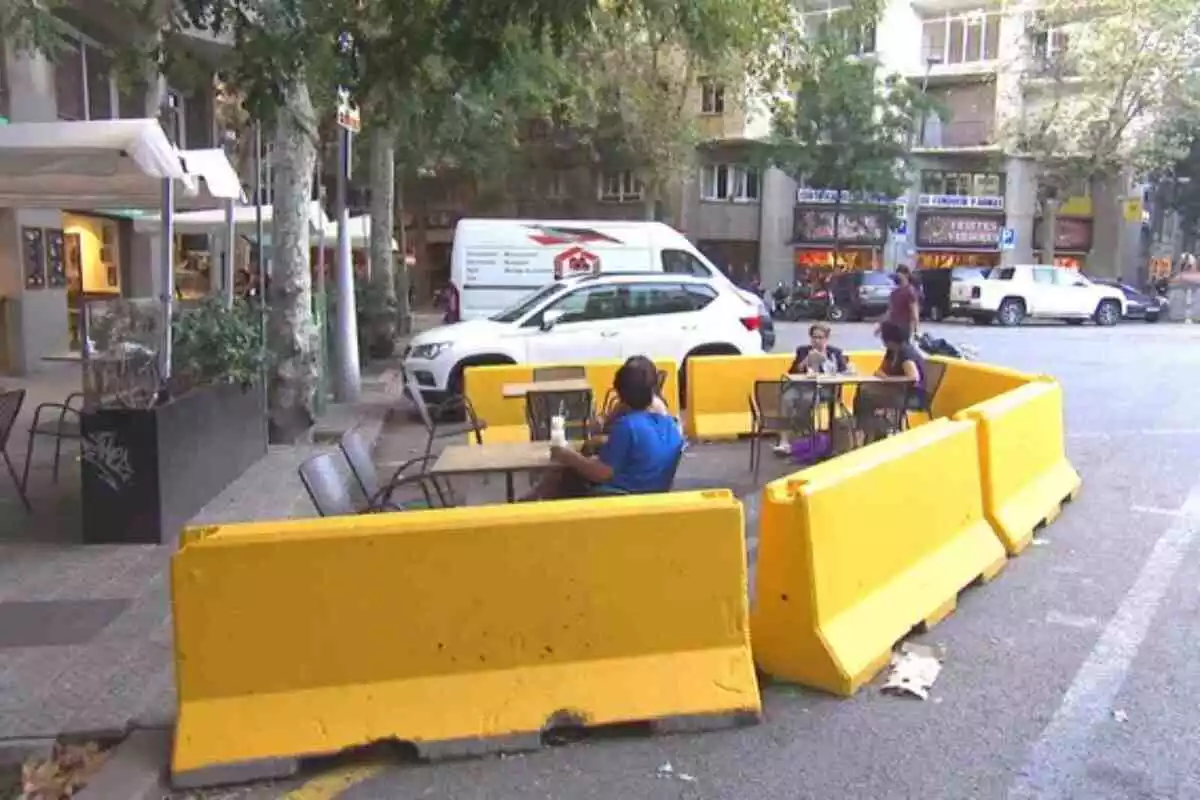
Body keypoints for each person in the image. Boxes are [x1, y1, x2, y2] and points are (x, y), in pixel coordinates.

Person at [528, 357, 684, 499]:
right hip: (652, 498)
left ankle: (531, 508)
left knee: (566, 475)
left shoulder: (628, 426)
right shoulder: (670, 425)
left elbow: (602, 473)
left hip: (619, 498)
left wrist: (567, 455)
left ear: (621, 395)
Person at [774, 323, 849, 454]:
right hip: (801, 386)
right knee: (786, 399)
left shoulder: (835, 352)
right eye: (814, 337)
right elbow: (792, 372)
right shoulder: (803, 351)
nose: (817, 341)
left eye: (820, 337)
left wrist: (826, 362)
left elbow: (844, 372)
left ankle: (802, 431)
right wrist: (806, 361)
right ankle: (784, 441)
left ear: (826, 338)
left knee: (808, 399)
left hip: (823, 389)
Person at [854, 320, 926, 443]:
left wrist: (887, 379)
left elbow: (913, 377)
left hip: (910, 395)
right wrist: (882, 374)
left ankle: (865, 431)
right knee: (864, 389)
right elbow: (883, 370)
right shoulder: (892, 351)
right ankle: (871, 430)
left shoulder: (905, 352)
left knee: (865, 396)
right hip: (896, 390)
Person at [878, 265, 920, 340]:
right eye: (897, 275)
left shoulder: (910, 291)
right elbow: (890, 311)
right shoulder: (894, 293)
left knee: (902, 349)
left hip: (904, 327)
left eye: (900, 275)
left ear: (906, 275)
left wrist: (916, 330)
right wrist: (881, 326)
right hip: (893, 327)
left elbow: (914, 312)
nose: (898, 277)